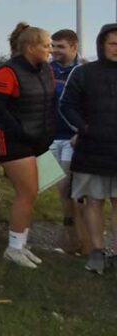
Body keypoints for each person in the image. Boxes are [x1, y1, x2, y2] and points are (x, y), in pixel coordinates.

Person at [0, 23, 55, 268]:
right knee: (26, 193)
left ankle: (21, 243)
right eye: (46, 45)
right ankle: (13, 248)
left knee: (32, 194)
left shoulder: (45, 69)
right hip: (14, 140)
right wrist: (21, 130)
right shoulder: (8, 72)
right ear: (29, 47)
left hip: (38, 139)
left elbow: (50, 102)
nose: (50, 50)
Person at [60, 23, 117, 274]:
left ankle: (115, 252)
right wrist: (84, 127)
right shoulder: (84, 73)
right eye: (113, 43)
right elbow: (67, 105)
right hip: (92, 148)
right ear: (102, 45)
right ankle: (96, 252)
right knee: (94, 201)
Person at [49, 28, 84, 253]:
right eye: (53, 46)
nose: (54, 51)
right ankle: (70, 231)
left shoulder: (83, 71)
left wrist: (80, 131)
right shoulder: (46, 69)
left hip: (71, 138)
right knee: (53, 186)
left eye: (60, 46)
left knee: (68, 186)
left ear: (73, 47)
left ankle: (78, 234)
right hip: (49, 136)